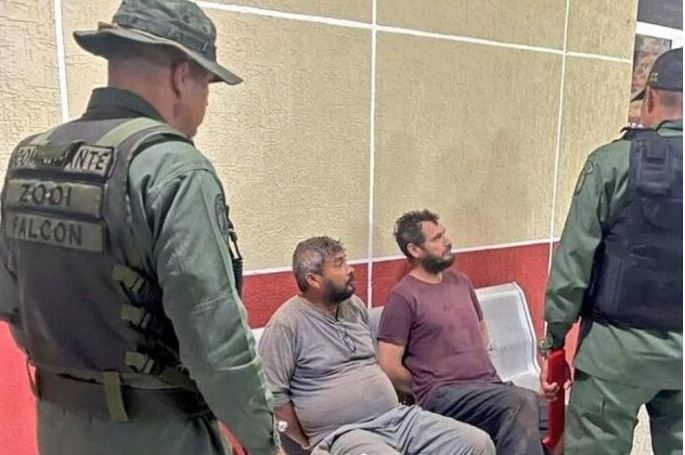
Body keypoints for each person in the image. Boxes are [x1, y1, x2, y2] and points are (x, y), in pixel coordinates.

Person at [0, 1, 284, 454]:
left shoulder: (30, 158)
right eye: (207, 85)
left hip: (59, 430)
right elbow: (217, 344)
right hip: (160, 434)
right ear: (182, 75)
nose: (204, 104)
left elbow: (14, 307)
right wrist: (264, 443)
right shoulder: (173, 168)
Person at [540, 47, 683, 455]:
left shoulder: (611, 163)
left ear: (650, 98)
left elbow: (573, 262)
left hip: (614, 354)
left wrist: (553, 341)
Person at [258, 236, 495, 455]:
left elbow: (373, 363)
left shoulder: (354, 306)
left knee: (477, 443)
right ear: (313, 279)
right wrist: (306, 441)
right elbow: (274, 398)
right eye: (339, 264)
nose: (350, 269)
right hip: (346, 433)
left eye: (346, 261)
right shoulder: (286, 324)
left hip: (398, 419)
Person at [377, 210, 547, 455]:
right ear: (414, 249)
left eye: (444, 234)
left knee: (565, 418)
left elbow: (481, 329)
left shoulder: (460, 281)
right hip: (444, 395)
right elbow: (389, 364)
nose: (447, 241)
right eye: (437, 238)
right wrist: (425, 386)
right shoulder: (403, 296)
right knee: (519, 403)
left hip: (488, 387)